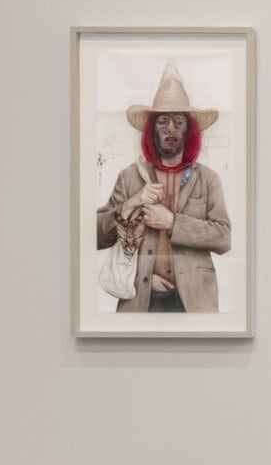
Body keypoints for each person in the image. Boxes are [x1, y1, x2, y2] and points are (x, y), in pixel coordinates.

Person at [95, 62, 232, 312]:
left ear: (189, 131)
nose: (170, 129)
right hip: (139, 301)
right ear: (151, 130)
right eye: (163, 122)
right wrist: (130, 203)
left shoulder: (208, 179)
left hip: (195, 303)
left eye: (179, 122)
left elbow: (224, 238)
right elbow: (95, 235)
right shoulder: (129, 177)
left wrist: (172, 222)